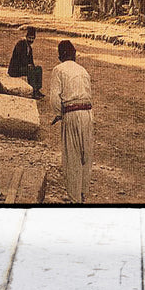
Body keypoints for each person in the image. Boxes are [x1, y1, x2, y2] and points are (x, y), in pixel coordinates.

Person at [44, 39, 93, 203]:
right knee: (85, 154)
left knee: (72, 156)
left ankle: (74, 199)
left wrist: (59, 114)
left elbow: (55, 98)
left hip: (71, 113)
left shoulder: (58, 70)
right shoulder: (83, 70)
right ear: (74, 55)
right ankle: (83, 193)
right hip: (87, 113)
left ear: (60, 56)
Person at [8, 26, 43, 97]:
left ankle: (37, 89)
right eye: (29, 38)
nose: (31, 40)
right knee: (30, 69)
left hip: (23, 68)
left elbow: (31, 61)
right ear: (26, 37)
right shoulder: (20, 44)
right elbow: (20, 58)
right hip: (15, 69)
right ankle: (33, 91)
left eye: (33, 38)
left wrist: (33, 66)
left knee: (39, 68)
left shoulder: (29, 48)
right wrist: (28, 65)